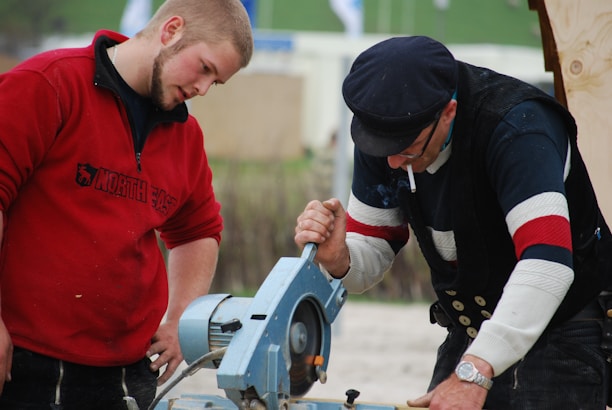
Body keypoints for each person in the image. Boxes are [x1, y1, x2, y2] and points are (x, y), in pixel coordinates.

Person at [294, 36, 612, 409]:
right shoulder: (386, 131)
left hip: (562, 333)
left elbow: (547, 266)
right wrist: (341, 258)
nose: (392, 163)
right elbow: (375, 246)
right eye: (381, 148)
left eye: (406, 149)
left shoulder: (519, 128)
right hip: (470, 331)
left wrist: (475, 370)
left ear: (448, 112)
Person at [0, 0, 253, 408]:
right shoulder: (47, 84)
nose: (203, 89)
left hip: (126, 375)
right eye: (204, 68)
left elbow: (198, 232)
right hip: (22, 362)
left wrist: (179, 322)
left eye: (216, 83)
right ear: (171, 31)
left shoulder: (185, 136)